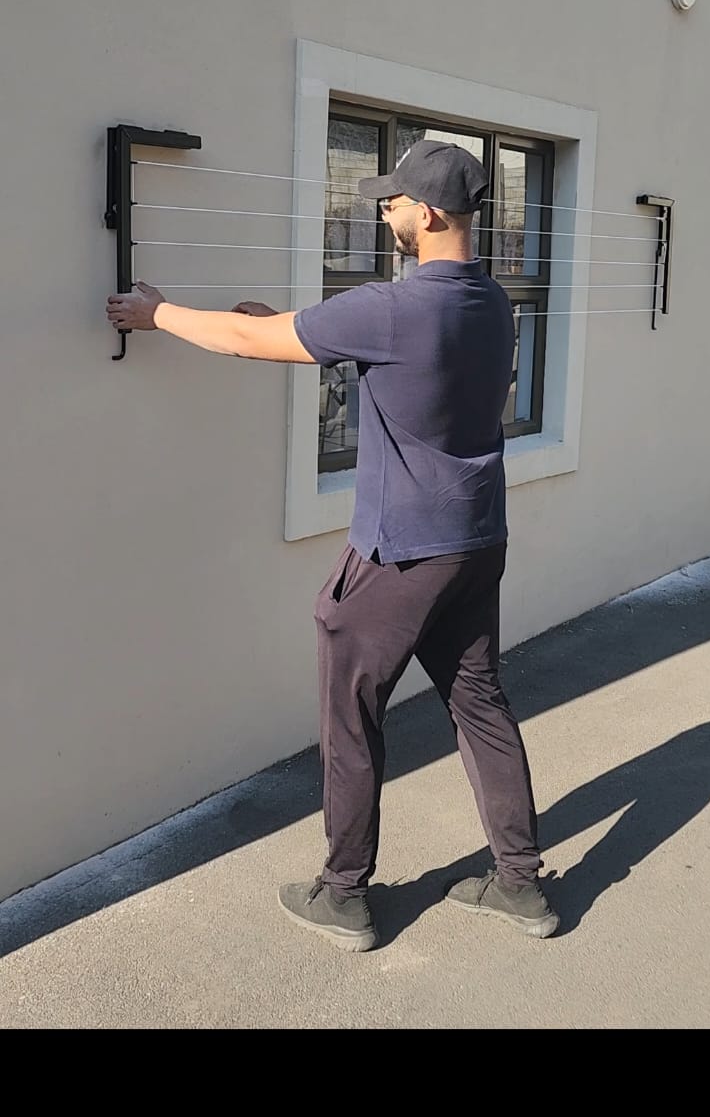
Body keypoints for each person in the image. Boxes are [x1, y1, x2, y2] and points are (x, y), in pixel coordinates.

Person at [107, 139, 558, 951]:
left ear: (426, 214)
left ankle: (343, 893)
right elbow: (399, 368)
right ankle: (521, 886)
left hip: (397, 553)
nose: (382, 211)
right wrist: (280, 327)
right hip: (474, 536)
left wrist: (156, 313)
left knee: (349, 716)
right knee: (481, 704)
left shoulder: (392, 307)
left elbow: (258, 345)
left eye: (391, 202)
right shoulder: (490, 301)